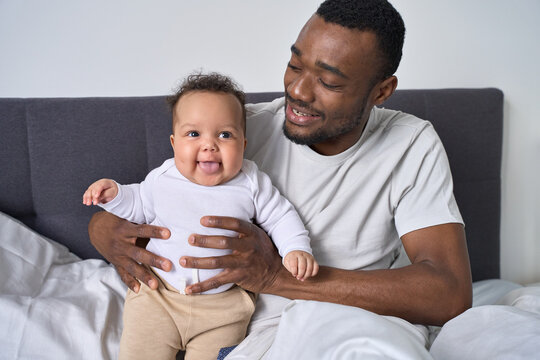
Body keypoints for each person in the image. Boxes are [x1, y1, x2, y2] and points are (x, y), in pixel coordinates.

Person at [89, 0, 472, 358]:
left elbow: (449, 293)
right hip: (238, 326)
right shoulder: (238, 133)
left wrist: (276, 276)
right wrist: (104, 232)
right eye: (295, 64)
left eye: (330, 82)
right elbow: (154, 195)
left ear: (381, 91)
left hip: (347, 325)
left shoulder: (410, 144)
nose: (298, 90)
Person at [83, 73, 318, 360]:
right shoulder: (163, 178)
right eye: (194, 134)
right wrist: (114, 194)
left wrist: (296, 249)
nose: (209, 145)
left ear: (243, 144)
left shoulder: (251, 182)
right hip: (160, 297)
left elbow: (280, 216)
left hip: (224, 308)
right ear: (174, 143)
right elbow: (138, 204)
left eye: (225, 135)